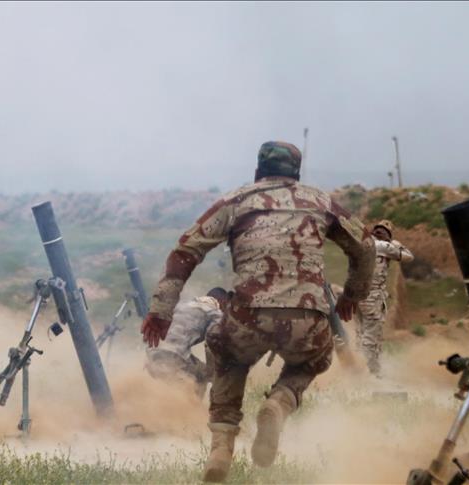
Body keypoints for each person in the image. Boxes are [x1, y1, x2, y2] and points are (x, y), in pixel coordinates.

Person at [141, 141, 375, 482]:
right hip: (307, 319)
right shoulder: (321, 201)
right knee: (314, 359)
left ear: (258, 171)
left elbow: (186, 250)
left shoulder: (236, 201)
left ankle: (221, 447)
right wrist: (352, 295)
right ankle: (280, 402)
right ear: (296, 173)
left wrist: (161, 310)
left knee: (227, 356)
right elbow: (365, 245)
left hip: (247, 316)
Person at [145, 287, 232, 397]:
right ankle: (193, 406)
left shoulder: (183, 305)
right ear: (222, 302)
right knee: (200, 378)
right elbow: (211, 345)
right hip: (173, 357)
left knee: (198, 371)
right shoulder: (215, 312)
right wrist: (214, 376)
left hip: (152, 355)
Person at [357, 220, 414, 377]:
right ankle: (369, 373)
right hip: (372, 297)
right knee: (371, 336)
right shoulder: (384, 246)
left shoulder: (361, 244)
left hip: (356, 295)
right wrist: (396, 244)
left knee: (360, 334)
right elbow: (409, 257)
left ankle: (358, 368)